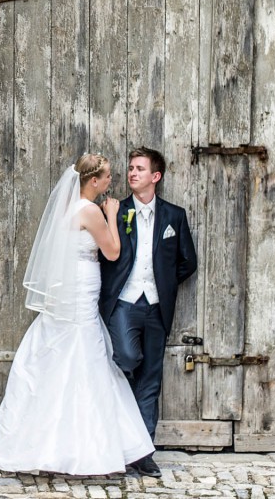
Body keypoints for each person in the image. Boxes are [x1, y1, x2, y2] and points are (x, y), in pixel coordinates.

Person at [0, 154, 155, 476]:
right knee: (87, 357)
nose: (109, 182)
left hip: (69, 288)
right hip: (82, 290)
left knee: (64, 356)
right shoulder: (90, 210)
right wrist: (113, 215)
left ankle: (52, 442)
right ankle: (86, 447)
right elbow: (112, 252)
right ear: (93, 181)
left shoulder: (67, 207)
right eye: (106, 178)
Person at [99, 147, 198, 478]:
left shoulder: (174, 216)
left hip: (157, 307)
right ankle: (118, 437)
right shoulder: (116, 211)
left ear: (155, 177)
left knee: (151, 380)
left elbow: (188, 261)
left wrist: (165, 285)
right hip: (124, 303)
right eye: (130, 168)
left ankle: (143, 452)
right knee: (126, 359)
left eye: (139, 169)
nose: (132, 173)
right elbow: (104, 256)